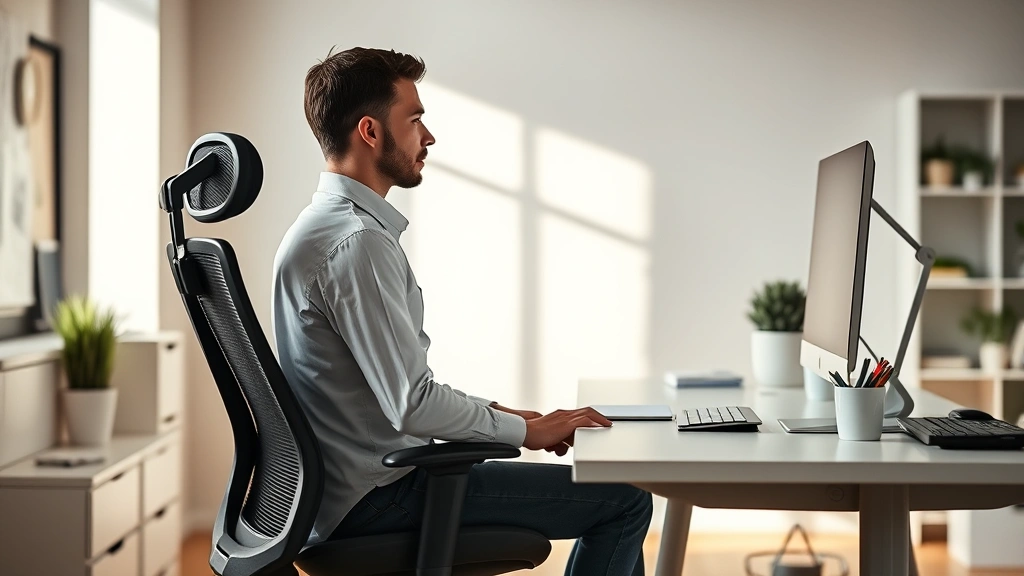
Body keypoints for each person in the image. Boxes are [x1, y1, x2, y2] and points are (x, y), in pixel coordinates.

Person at [271, 46, 653, 576]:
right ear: (371, 131)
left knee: (614, 495)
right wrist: (525, 434)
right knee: (625, 501)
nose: (428, 137)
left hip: (347, 491)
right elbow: (410, 403)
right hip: (378, 497)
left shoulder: (322, 228)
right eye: (415, 119)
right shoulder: (356, 244)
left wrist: (510, 416)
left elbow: (397, 392)